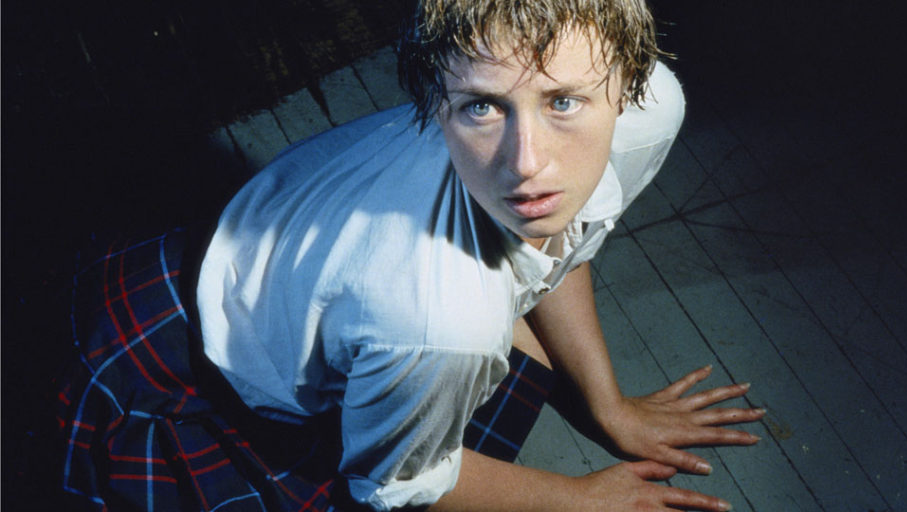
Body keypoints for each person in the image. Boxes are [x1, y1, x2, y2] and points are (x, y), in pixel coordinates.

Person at [58, 0, 765, 510]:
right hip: (167, 357)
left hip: (276, 259)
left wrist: (608, 407)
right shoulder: (439, 324)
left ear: (629, 83)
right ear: (435, 101)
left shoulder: (653, 109)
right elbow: (393, 487)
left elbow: (562, 246)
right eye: (482, 107)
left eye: (564, 102)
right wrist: (579, 501)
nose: (528, 165)